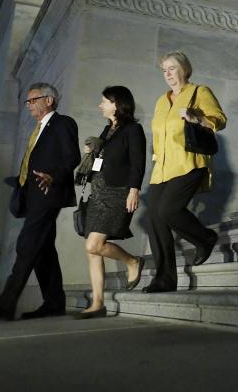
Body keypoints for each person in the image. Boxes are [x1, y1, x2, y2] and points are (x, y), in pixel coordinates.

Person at [0, 82, 80, 321]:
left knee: (26, 245)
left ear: (48, 100)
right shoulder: (38, 129)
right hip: (32, 194)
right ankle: (54, 303)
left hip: (47, 194)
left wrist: (54, 176)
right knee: (43, 251)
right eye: (27, 101)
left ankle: (5, 304)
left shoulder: (63, 123)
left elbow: (72, 157)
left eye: (32, 100)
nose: (28, 105)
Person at [146, 51, 227, 293]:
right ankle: (164, 279)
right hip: (162, 167)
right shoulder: (162, 101)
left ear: (184, 69)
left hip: (190, 161)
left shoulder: (199, 92)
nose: (168, 74)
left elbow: (220, 119)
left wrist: (197, 118)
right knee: (154, 219)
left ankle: (205, 238)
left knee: (168, 210)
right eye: (164, 70)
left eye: (172, 68)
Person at [78, 86, 147, 319]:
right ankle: (98, 303)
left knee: (93, 245)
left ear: (116, 104)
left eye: (104, 101)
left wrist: (134, 190)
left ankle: (132, 261)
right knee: (92, 251)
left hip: (116, 193)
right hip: (97, 193)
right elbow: (104, 161)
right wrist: (94, 151)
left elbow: (138, 163)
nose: (100, 105)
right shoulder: (108, 130)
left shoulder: (133, 130)